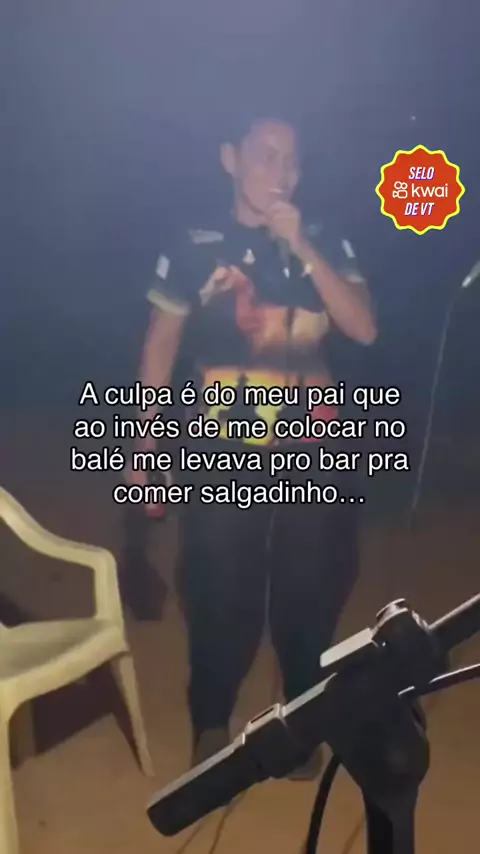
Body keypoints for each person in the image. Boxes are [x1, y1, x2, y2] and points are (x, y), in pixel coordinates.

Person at [132, 117, 377, 778]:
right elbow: (161, 344)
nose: (282, 172)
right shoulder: (192, 243)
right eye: (266, 156)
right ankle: (211, 721)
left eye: (292, 160)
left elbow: (362, 328)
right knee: (219, 582)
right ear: (230, 160)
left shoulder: (324, 237)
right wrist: (145, 439)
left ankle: (300, 717)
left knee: (312, 585)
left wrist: (304, 247)